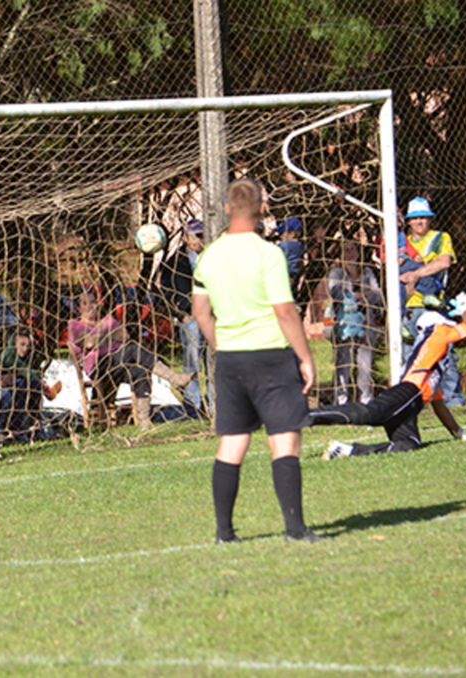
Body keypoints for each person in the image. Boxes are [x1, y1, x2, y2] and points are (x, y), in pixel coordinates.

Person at [190, 177, 321, 544]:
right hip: (271, 357)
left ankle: (224, 534)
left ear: (228, 210)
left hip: (231, 359)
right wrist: (305, 357)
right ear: (263, 209)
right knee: (284, 442)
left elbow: (201, 313)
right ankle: (295, 530)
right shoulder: (268, 254)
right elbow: (285, 312)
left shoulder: (208, 256)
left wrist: (222, 344)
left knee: (232, 444)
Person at [311, 293, 466, 458]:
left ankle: (346, 451)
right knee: (370, 414)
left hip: (409, 406)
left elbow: (440, 407)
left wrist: (460, 434)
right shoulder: (437, 334)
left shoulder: (433, 364)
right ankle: (306, 416)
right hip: (407, 393)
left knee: (409, 444)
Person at [67, 289, 192, 429]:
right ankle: (175, 379)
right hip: (100, 366)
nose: (90, 306)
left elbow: (125, 336)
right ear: (78, 308)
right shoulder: (75, 325)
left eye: (92, 302)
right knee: (132, 349)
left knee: (140, 371)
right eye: (85, 303)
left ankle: (143, 421)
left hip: (120, 363)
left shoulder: (107, 320)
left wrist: (101, 336)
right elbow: (88, 343)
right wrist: (111, 335)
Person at [399, 197, 465, 406]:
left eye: (424, 218)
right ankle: (414, 398)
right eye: (415, 218)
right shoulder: (401, 243)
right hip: (410, 305)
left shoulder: (440, 238)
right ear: (408, 221)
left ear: (430, 220)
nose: (420, 222)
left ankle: (452, 397)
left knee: (444, 352)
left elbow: (443, 262)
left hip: (433, 304)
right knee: (411, 355)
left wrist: (416, 274)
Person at [158, 218, 211, 418]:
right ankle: (193, 407)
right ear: (186, 237)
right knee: (193, 363)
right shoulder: (175, 262)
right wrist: (182, 315)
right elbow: (166, 291)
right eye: (197, 236)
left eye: (203, 235)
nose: (200, 240)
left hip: (213, 317)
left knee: (214, 362)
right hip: (192, 320)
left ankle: (216, 406)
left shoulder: (210, 257)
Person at [327, 238, 383, 405]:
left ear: (359, 253)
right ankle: (341, 400)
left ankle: (365, 399)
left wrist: (357, 297)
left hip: (367, 321)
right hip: (343, 324)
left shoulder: (367, 272)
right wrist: (363, 295)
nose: (350, 253)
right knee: (343, 363)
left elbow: (378, 296)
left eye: (353, 249)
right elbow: (338, 294)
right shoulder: (337, 273)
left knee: (365, 364)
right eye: (346, 250)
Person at [0, 329, 62, 439]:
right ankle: (18, 429)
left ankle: (36, 426)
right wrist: (41, 380)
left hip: (11, 384)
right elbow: (23, 370)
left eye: (27, 346)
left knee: (32, 384)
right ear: (13, 344)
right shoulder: (8, 354)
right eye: (22, 345)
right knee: (24, 386)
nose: (25, 349)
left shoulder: (21, 356)